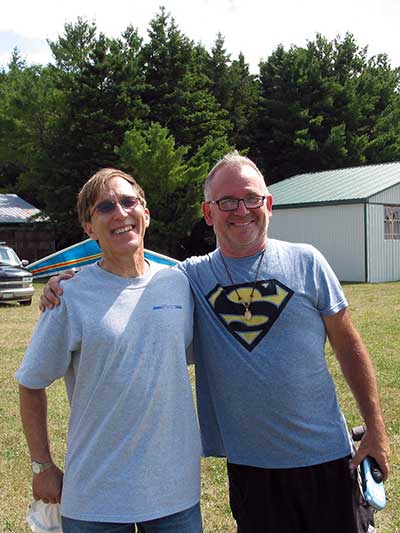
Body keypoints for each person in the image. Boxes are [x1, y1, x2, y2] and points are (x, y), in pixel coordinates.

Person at [41, 153, 390, 533]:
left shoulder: (308, 262)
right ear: (208, 213)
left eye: (251, 198)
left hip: (327, 458)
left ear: (269, 205)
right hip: (250, 469)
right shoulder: (188, 278)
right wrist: (67, 280)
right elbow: (130, 274)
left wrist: (376, 430)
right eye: (227, 201)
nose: (241, 210)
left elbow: (349, 347)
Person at [16, 168, 203, 533]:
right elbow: (31, 383)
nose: (120, 213)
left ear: (145, 213)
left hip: (174, 494)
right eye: (104, 207)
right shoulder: (69, 296)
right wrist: (42, 465)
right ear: (89, 228)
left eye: (128, 202)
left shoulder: (180, 283)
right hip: (95, 499)